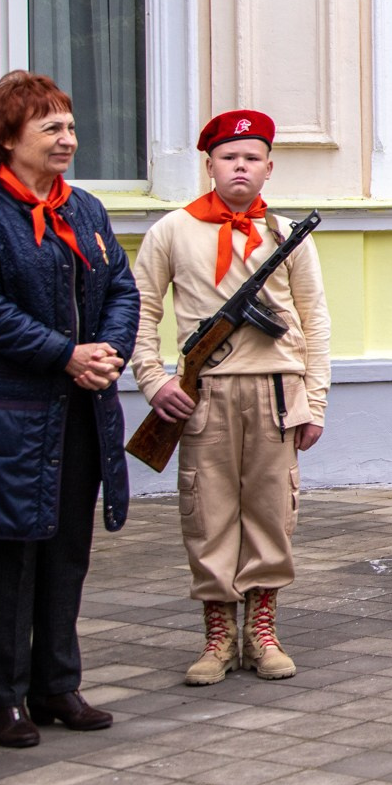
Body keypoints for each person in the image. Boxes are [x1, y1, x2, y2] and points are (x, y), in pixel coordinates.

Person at [0, 72, 138, 748]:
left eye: (70, 126)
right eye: (51, 127)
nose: (67, 138)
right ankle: (6, 698)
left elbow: (122, 288)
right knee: (11, 556)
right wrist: (65, 354)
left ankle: (58, 686)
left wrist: (108, 351)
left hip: (79, 410)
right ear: (7, 137)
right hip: (7, 415)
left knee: (66, 552)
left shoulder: (86, 210)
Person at [130, 111, 330, 683]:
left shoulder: (287, 236)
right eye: (228, 157)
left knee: (272, 511)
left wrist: (315, 402)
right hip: (204, 395)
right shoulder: (172, 230)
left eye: (251, 158)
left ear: (269, 168)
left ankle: (262, 632)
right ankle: (218, 636)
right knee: (208, 512)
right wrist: (154, 380)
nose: (240, 167)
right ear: (210, 165)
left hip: (276, 393)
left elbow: (315, 321)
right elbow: (141, 310)